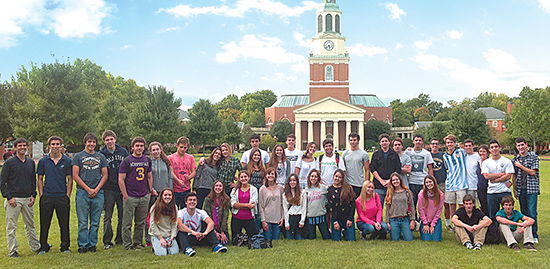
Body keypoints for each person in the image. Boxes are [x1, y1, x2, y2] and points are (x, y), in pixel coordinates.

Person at [1, 138, 40, 257]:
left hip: (27, 198)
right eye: (20, 146)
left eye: (24, 145)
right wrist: (9, 197)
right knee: (11, 226)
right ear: (15, 148)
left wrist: (33, 195)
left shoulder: (30, 163)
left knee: (30, 225)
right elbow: (2, 182)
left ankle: (35, 247)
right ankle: (13, 251)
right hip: (14, 199)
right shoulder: (9, 163)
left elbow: (33, 180)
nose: (22, 148)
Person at [72, 132, 108, 253]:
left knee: (95, 221)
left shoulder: (101, 157)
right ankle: (82, 244)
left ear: (96, 143)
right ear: (85, 143)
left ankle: (92, 244)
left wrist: (96, 190)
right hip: (82, 192)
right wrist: (88, 189)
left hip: (98, 193)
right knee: (83, 221)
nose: (91, 144)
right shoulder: (78, 156)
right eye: (89, 142)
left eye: (93, 142)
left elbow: (105, 175)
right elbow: (75, 175)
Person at [37, 136, 73, 255]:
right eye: (53, 144)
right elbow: (40, 178)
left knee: (64, 223)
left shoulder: (67, 161)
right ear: (49, 146)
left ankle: (65, 247)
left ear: (61, 146)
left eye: (58, 144)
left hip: (61, 196)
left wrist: (67, 195)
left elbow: (70, 179)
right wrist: (42, 195)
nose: (55, 146)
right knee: (44, 223)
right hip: (47, 196)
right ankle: (43, 246)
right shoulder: (43, 161)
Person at [119, 137, 154, 251]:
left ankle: (137, 242)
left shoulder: (147, 160)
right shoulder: (127, 161)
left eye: (141, 146)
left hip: (143, 195)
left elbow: (149, 176)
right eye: (137, 146)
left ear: (144, 147)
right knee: (127, 222)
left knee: (140, 222)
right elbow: (121, 179)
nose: (139, 148)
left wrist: (149, 191)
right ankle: (127, 244)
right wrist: (125, 195)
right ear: (132, 147)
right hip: (131, 196)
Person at [99, 130, 129, 249]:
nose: (110, 141)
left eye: (111, 139)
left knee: (122, 215)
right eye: (107, 140)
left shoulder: (123, 151)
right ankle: (107, 241)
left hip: (122, 188)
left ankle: (120, 239)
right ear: (104, 141)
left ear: (115, 139)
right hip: (108, 188)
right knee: (108, 215)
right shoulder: (102, 153)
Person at [176, 192, 227, 256]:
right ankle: (187, 249)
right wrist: (193, 232)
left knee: (209, 228)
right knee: (181, 232)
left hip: (198, 237)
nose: (192, 202)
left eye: (194, 200)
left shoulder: (201, 212)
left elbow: (211, 223)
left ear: (197, 202)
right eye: (190, 200)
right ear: (186, 202)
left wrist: (205, 233)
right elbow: (179, 225)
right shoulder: (181, 212)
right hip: (186, 237)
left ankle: (216, 245)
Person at [511, 137, 539, 243]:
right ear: (516, 147)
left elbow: (532, 172)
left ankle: (534, 234)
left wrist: (520, 166)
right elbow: (514, 176)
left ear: (526, 145)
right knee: (524, 213)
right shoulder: (515, 159)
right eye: (518, 145)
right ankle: (527, 234)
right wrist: (515, 190)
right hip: (521, 189)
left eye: (522, 144)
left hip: (531, 189)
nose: (521, 147)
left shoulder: (533, 157)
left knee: (532, 212)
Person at [146, 141, 174, 246]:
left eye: (157, 149)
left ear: (161, 150)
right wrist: (150, 189)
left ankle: (166, 236)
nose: (156, 151)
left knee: (164, 217)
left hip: (165, 194)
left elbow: (170, 177)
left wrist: (169, 192)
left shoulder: (166, 162)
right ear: (150, 151)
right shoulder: (148, 162)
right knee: (150, 217)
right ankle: (149, 238)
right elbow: (146, 177)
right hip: (153, 193)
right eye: (153, 150)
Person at [482, 139, 514, 220]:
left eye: (496, 147)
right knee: (493, 216)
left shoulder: (507, 161)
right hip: (492, 192)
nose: (494, 149)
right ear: (489, 149)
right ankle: (494, 232)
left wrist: (495, 180)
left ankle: (508, 232)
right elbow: (486, 176)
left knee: (508, 215)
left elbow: (508, 176)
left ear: (499, 148)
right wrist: (500, 175)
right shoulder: (486, 162)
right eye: (492, 147)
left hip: (505, 191)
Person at [442, 134, 468, 229]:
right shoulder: (445, 156)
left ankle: (462, 224)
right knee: (452, 205)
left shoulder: (461, 152)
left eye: (451, 142)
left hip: (461, 184)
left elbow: (470, 151)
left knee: (461, 205)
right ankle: (454, 225)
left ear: (454, 143)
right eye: (448, 142)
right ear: (446, 144)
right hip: (450, 184)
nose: (450, 144)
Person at [370, 133, 401, 209]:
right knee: (378, 207)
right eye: (382, 141)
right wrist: (381, 181)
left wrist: (389, 181)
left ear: (389, 142)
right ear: (380, 143)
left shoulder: (394, 154)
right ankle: (379, 221)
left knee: (393, 207)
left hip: (392, 185)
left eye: (386, 141)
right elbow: (373, 169)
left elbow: (398, 169)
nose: (384, 143)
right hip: (378, 185)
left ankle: (390, 221)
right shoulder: (376, 154)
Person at [405, 134, 433, 211]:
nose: (418, 142)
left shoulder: (426, 153)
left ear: (422, 142)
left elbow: (430, 168)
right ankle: (414, 219)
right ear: (413, 141)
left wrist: (431, 180)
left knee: (424, 203)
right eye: (416, 140)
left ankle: (423, 220)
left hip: (423, 181)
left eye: (420, 140)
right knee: (412, 202)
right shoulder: (408, 152)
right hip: (412, 181)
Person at [149, 188, 179, 256]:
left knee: (174, 252)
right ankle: (155, 245)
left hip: (168, 235)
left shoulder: (175, 207)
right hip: (157, 235)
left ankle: (165, 245)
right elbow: (152, 224)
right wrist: (160, 238)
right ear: (161, 196)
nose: (167, 197)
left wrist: (172, 237)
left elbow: (174, 223)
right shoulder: (155, 207)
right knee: (162, 254)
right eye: (165, 195)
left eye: (169, 195)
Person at [327, 169, 356, 241]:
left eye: (340, 177)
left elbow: (353, 204)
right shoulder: (330, 190)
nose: (337, 178)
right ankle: (339, 231)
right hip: (337, 218)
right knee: (336, 240)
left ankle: (345, 231)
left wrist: (350, 219)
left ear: (342, 179)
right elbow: (330, 208)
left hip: (347, 218)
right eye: (336, 176)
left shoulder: (348, 188)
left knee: (351, 239)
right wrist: (335, 221)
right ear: (333, 177)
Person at [385, 172, 415, 241]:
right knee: (395, 240)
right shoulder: (390, 192)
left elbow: (412, 206)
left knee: (409, 239)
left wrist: (412, 220)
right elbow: (387, 209)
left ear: (400, 180)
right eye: (393, 180)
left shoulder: (407, 192)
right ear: (391, 182)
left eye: (397, 179)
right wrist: (387, 222)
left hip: (405, 219)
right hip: (394, 219)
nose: (395, 181)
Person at [230, 171, 258, 242]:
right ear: (239, 179)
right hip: (237, 217)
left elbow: (253, 205)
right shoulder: (235, 190)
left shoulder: (254, 189)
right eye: (241, 177)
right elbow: (233, 205)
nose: (243, 179)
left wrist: (240, 205)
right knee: (235, 241)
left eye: (245, 177)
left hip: (249, 217)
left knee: (253, 240)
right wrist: (247, 205)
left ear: (249, 178)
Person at [169, 136, 196, 209]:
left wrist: (189, 177)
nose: (182, 149)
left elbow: (194, 172)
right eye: (181, 147)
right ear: (177, 146)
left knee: (186, 209)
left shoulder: (190, 157)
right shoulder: (171, 158)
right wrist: (178, 181)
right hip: (175, 189)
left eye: (185, 148)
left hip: (186, 188)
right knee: (175, 210)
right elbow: (171, 172)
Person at [302, 169, 330, 240]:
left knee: (326, 237)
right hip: (311, 216)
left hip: (321, 216)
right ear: (309, 177)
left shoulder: (323, 188)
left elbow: (330, 195)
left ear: (318, 178)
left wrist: (325, 204)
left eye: (315, 176)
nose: (313, 178)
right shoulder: (306, 190)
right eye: (312, 176)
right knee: (311, 238)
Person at [429, 138, 450, 229]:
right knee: (431, 204)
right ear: (430, 145)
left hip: (442, 182)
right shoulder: (428, 155)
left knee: (446, 203)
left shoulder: (443, 155)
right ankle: (431, 221)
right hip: (431, 183)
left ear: (439, 145)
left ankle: (448, 223)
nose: (434, 145)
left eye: (436, 144)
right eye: (433, 144)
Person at [258, 167, 284, 240]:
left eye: (272, 174)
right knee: (268, 239)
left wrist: (282, 218)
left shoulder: (280, 188)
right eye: (268, 174)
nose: (270, 176)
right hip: (267, 219)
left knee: (276, 239)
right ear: (266, 176)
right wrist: (263, 221)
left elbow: (282, 204)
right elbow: (261, 206)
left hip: (277, 219)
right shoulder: (262, 189)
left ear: (275, 175)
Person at [342, 132, 370, 198]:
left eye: (354, 140)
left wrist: (366, 183)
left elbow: (367, 170)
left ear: (358, 141)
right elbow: (343, 169)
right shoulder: (345, 153)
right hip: (348, 184)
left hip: (359, 184)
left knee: (360, 206)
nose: (352, 142)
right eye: (351, 140)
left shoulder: (364, 154)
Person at [418, 175, 444, 242]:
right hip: (424, 220)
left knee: (436, 239)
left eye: (430, 182)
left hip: (436, 220)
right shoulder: (421, 193)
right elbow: (420, 210)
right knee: (427, 239)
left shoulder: (440, 195)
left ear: (434, 182)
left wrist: (433, 225)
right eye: (427, 182)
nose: (429, 184)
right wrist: (425, 224)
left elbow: (439, 211)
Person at [203, 180, 231, 245]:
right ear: (213, 187)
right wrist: (214, 232)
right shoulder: (208, 199)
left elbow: (225, 216)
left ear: (223, 188)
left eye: (220, 186)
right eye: (216, 186)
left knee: (225, 242)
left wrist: (222, 232)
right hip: (211, 227)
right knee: (215, 241)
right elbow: (208, 216)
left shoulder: (226, 199)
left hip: (221, 227)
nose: (218, 188)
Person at [283, 173, 306, 240]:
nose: (292, 182)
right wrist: (286, 223)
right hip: (290, 218)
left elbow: (304, 208)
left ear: (297, 182)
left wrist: (302, 221)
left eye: (294, 180)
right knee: (290, 239)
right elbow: (285, 209)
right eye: (290, 180)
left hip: (299, 217)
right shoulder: (285, 194)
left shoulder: (302, 192)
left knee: (299, 238)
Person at [476, 145, 490, 216]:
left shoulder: (491, 162)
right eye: (480, 151)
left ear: (488, 152)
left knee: (490, 207)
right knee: (483, 207)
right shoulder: (478, 162)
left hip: (490, 188)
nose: (482, 153)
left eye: (484, 151)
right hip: (481, 188)